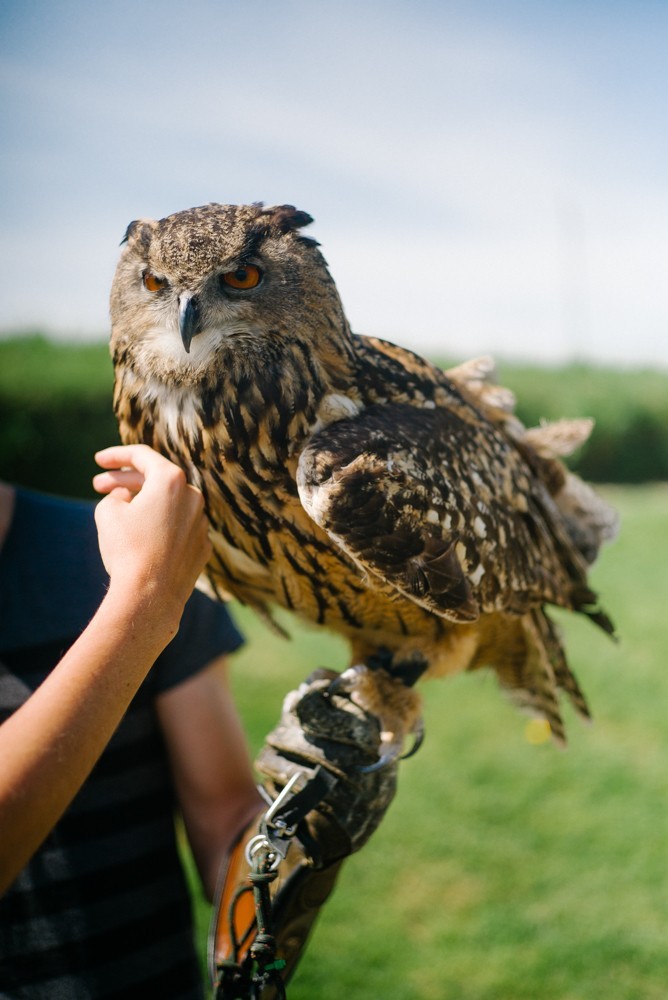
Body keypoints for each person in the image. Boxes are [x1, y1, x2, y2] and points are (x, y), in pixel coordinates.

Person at [0, 444, 263, 999]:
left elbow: (229, 824)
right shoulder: (150, 570)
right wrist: (145, 600)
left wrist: (307, 827)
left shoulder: (143, 548)